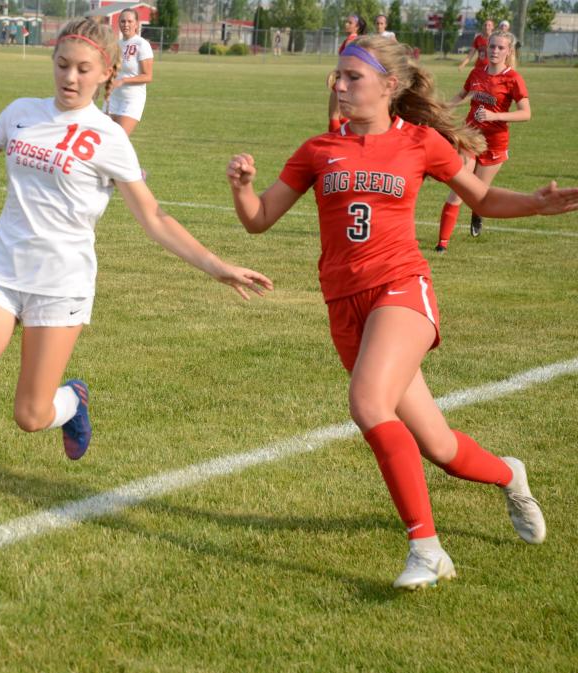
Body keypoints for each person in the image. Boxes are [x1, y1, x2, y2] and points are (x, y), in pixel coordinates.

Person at [0, 17, 272, 536]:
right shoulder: (21, 114)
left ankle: (73, 401)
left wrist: (217, 265)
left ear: (107, 72)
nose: (70, 77)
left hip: (60, 285)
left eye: (83, 69)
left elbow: (154, 217)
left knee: (29, 414)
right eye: (62, 64)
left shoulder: (109, 138)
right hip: (0, 273)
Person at [226, 36, 576, 589]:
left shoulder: (421, 142)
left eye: (351, 78)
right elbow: (259, 219)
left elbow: (481, 200)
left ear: (390, 86)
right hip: (344, 304)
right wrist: (242, 188)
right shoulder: (318, 149)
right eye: (336, 78)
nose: (339, 87)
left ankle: (427, 550)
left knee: (367, 402)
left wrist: (536, 203)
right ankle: (511, 474)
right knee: (440, 449)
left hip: (401, 289)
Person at [436, 31, 530, 250]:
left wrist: (494, 116)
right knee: (459, 188)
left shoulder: (513, 78)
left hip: (495, 143)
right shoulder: (477, 72)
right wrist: (442, 110)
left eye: (500, 48)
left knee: (479, 193)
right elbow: (462, 95)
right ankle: (442, 245)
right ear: (486, 47)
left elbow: (526, 113)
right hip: (470, 137)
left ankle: (477, 212)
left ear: (508, 52)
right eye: (492, 46)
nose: (495, 51)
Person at [106, 8, 153, 136]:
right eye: (122, 21)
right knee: (104, 139)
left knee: (119, 139)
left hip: (131, 100)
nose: (126, 24)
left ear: (136, 24)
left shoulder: (141, 44)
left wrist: (123, 81)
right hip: (113, 98)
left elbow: (148, 76)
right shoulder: (117, 44)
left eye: (129, 21)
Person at [329, 15, 367, 131]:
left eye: (350, 23)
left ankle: (334, 141)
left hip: (342, 79)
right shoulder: (354, 39)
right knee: (341, 115)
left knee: (334, 115)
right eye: (346, 22)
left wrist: (335, 73)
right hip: (346, 79)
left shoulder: (351, 40)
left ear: (357, 27)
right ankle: (349, 136)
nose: (346, 24)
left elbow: (347, 62)